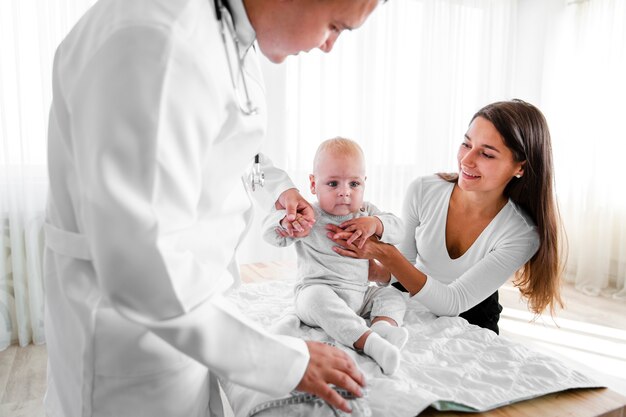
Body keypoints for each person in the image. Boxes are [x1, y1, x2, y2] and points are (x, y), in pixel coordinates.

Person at [43, 0, 381, 416]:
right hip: (134, 333)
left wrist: (280, 191)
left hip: (190, 314)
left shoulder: (226, 30)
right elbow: (141, 260)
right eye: (335, 26)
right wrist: (286, 361)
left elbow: (222, 141)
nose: (329, 46)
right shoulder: (158, 41)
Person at [329, 100, 564, 335]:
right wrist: (371, 269)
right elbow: (406, 263)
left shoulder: (521, 233)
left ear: (520, 168)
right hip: (411, 293)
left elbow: (453, 302)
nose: (466, 160)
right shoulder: (423, 189)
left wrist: (383, 252)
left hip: (472, 314)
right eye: (466, 144)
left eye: (486, 154)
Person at [263, 138, 409, 375]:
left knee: (392, 294)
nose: (344, 193)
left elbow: (399, 229)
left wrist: (376, 224)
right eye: (333, 183)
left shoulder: (366, 213)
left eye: (354, 183)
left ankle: (384, 327)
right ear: (313, 184)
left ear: (364, 183)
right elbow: (271, 235)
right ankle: (370, 343)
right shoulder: (308, 216)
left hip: (360, 294)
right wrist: (286, 222)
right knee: (315, 297)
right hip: (316, 291)